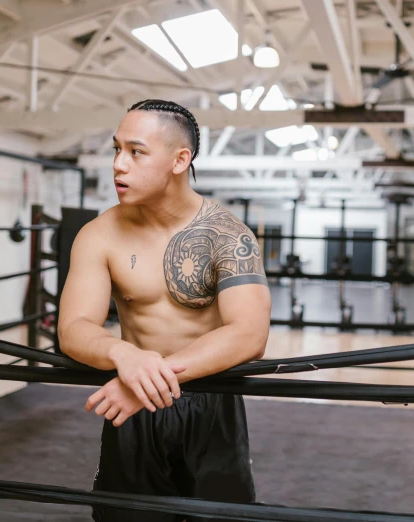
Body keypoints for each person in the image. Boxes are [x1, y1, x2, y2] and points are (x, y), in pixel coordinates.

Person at [57, 99, 272, 522]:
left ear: (180, 159)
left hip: (211, 402)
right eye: (116, 149)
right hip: (132, 404)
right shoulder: (99, 234)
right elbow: (73, 328)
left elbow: (250, 334)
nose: (119, 164)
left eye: (136, 152)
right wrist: (125, 356)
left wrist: (146, 381)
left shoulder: (227, 236)